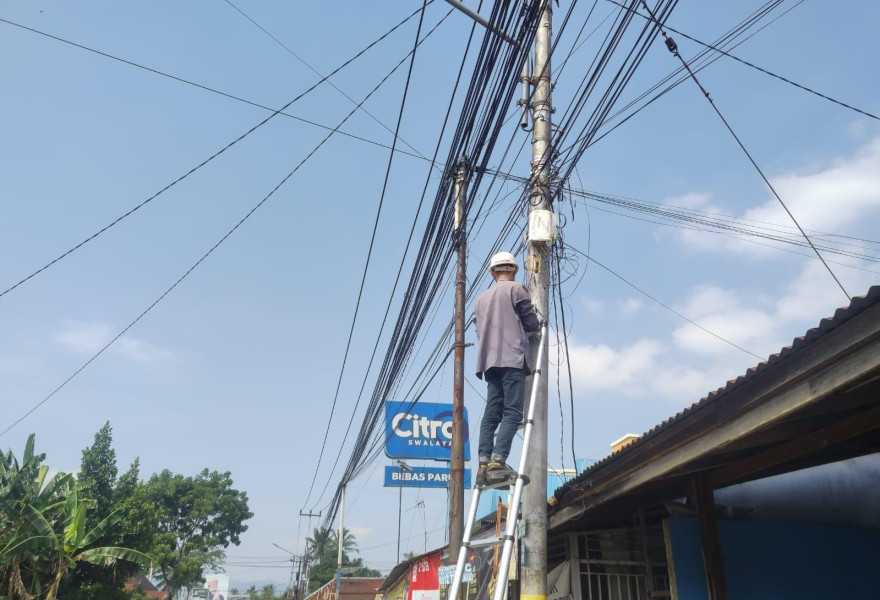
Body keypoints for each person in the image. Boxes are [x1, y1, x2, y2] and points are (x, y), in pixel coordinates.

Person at [473, 251, 540, 487]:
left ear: (493, 273)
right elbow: (531, 323)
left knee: (493, 411)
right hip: (512, 358)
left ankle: (483, 463)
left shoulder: (480, 300)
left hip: (488, 362)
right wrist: (533, 324)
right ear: (514, 270)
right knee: (513, 411)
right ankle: (498, 461)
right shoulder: (517, 289)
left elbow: (478, 330)